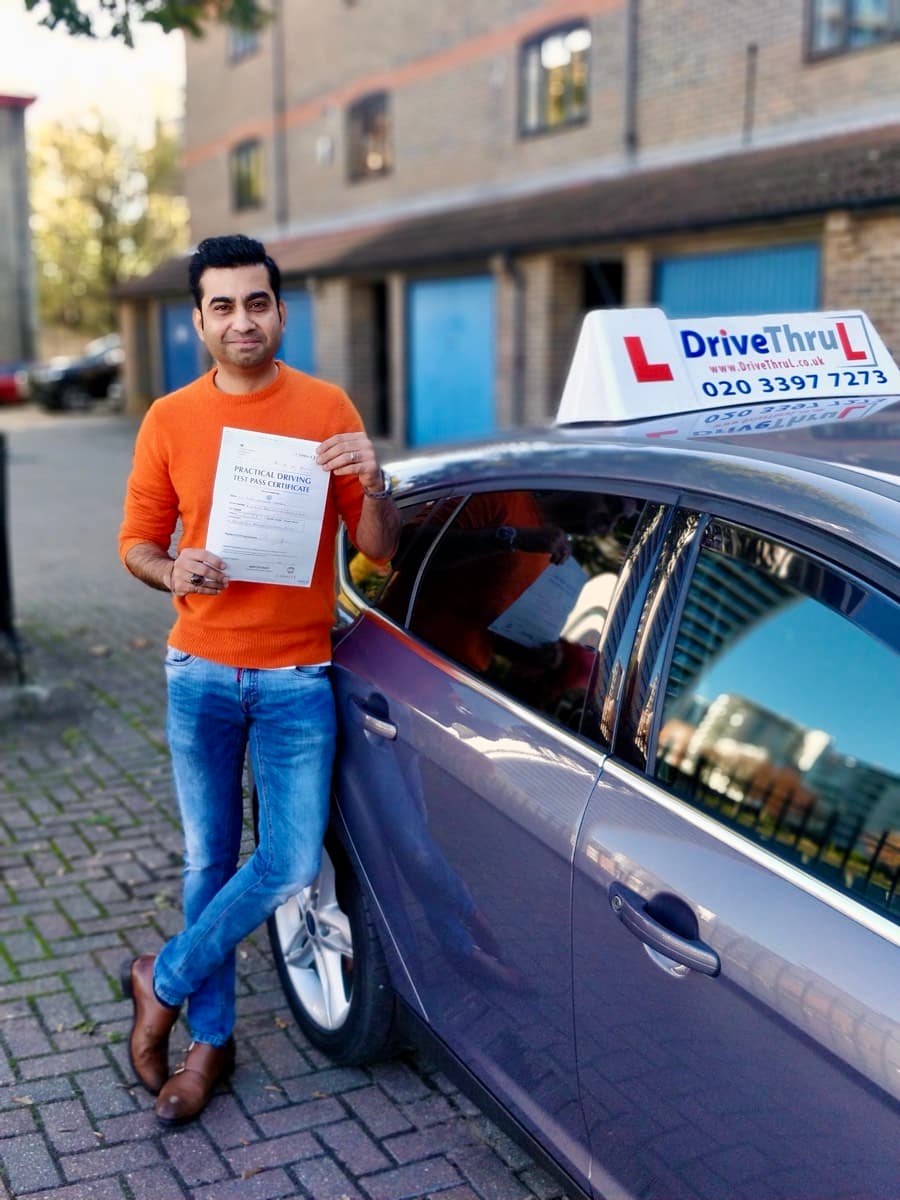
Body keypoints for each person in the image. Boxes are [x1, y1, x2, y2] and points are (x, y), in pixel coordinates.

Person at [117, 234, 399, 1126]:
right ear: (200, 320)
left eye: (259, 303)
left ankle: (160, 982)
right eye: (224, 306)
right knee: (207, 860)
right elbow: (135, 543)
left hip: (294, 678)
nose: (244, 320)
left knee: (283, 862)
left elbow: (378, 552)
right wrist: (173, 571)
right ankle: (210, 1046)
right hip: (199, 671)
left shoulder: (325, 408)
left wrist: (376, 480)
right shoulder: (168, 418)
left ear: (281, 310)